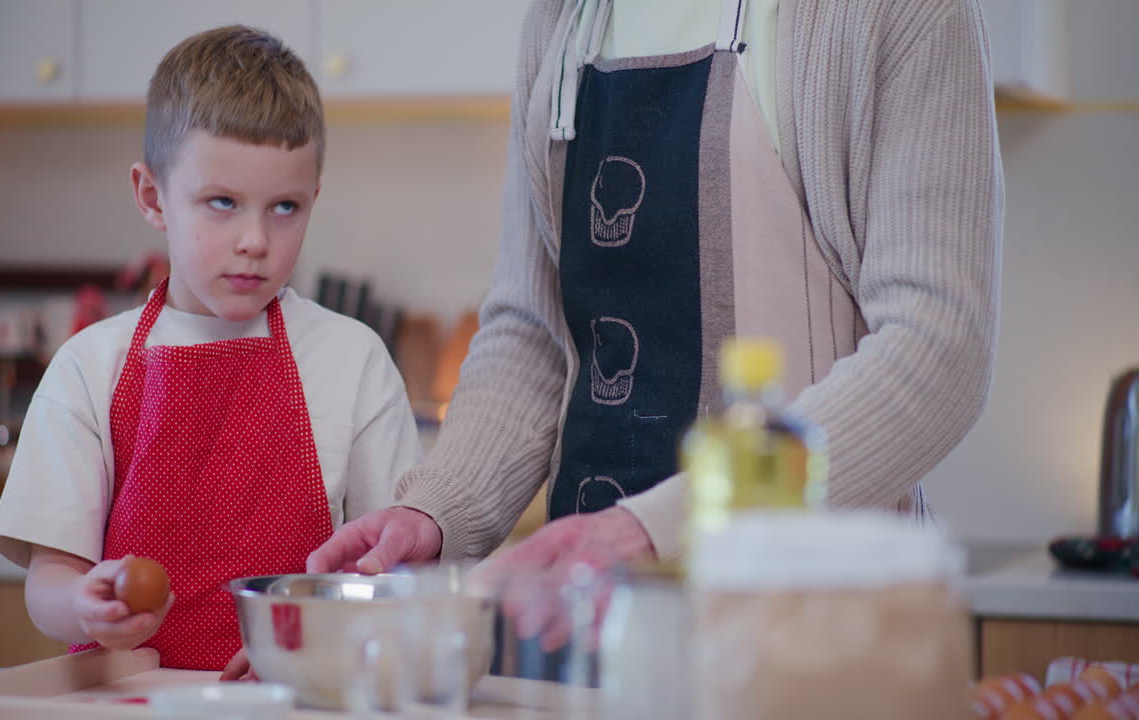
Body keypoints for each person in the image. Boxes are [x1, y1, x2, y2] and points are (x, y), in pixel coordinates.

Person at [308, 0, 1003, 651]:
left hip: (814, 637)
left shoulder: (893, 13)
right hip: (589, 638)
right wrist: (436, 514)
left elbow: (936, 349)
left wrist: (652, 529)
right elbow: (534, 334)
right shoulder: (563, 20)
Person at [0, 25, 421, 672]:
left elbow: (393, 573)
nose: (254, 239)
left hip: (291, 703)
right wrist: (85, 603)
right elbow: (48, 583)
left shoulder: (352, 361)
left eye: (284, 208)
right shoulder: (89, 368)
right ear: (152, 196)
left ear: (314, 199)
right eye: (222, 202)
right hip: (125, 705)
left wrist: (323, 633)